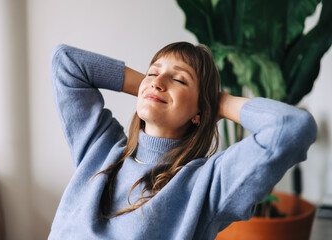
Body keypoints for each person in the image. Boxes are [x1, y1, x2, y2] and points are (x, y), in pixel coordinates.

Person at [48, 42, 317, 239]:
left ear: (199, 112)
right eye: (153, 73)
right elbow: (66, 62)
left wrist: (214, 102)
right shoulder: (100, 146)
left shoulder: (207, 184)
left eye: (179, 79)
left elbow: (292, 127)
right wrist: (150, 88)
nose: (158, 81)